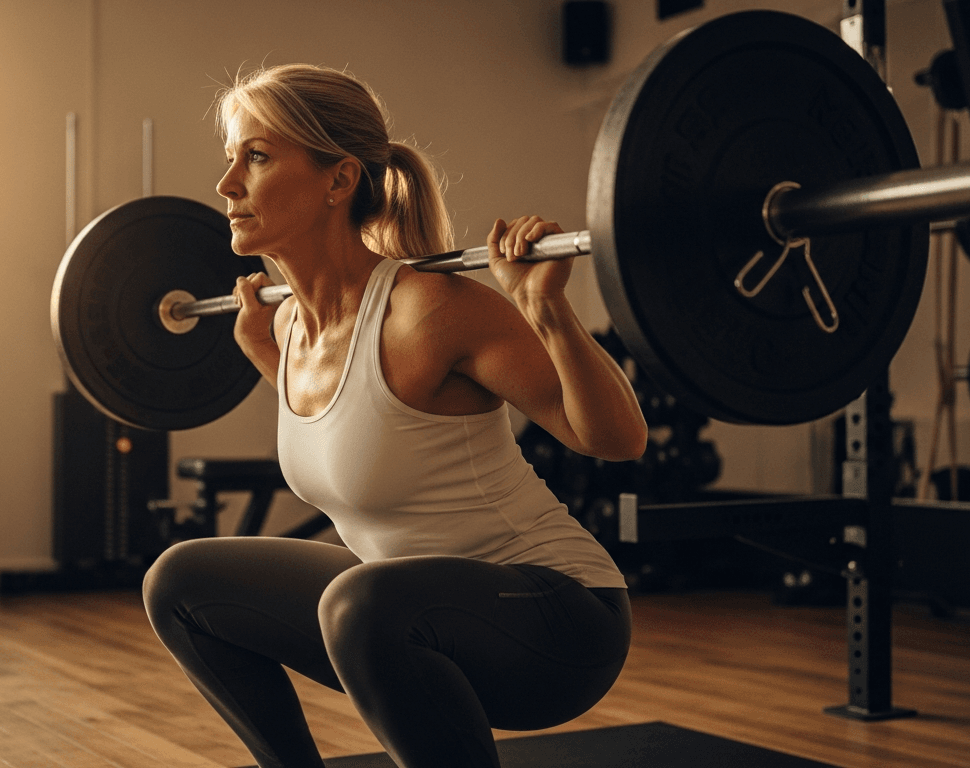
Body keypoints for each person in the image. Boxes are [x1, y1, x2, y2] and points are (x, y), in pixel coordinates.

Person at [142, 63, 647, 768]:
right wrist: (266, 358)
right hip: (396, 612)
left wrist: (548, 311)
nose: (227, 185)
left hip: (557, 622)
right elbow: (363, 437)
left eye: (256, 157)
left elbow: (619, 441)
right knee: (181, 580)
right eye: (231, 160)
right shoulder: (287, 331)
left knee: (362, 600)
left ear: (338, 181)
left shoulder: (431, 311)